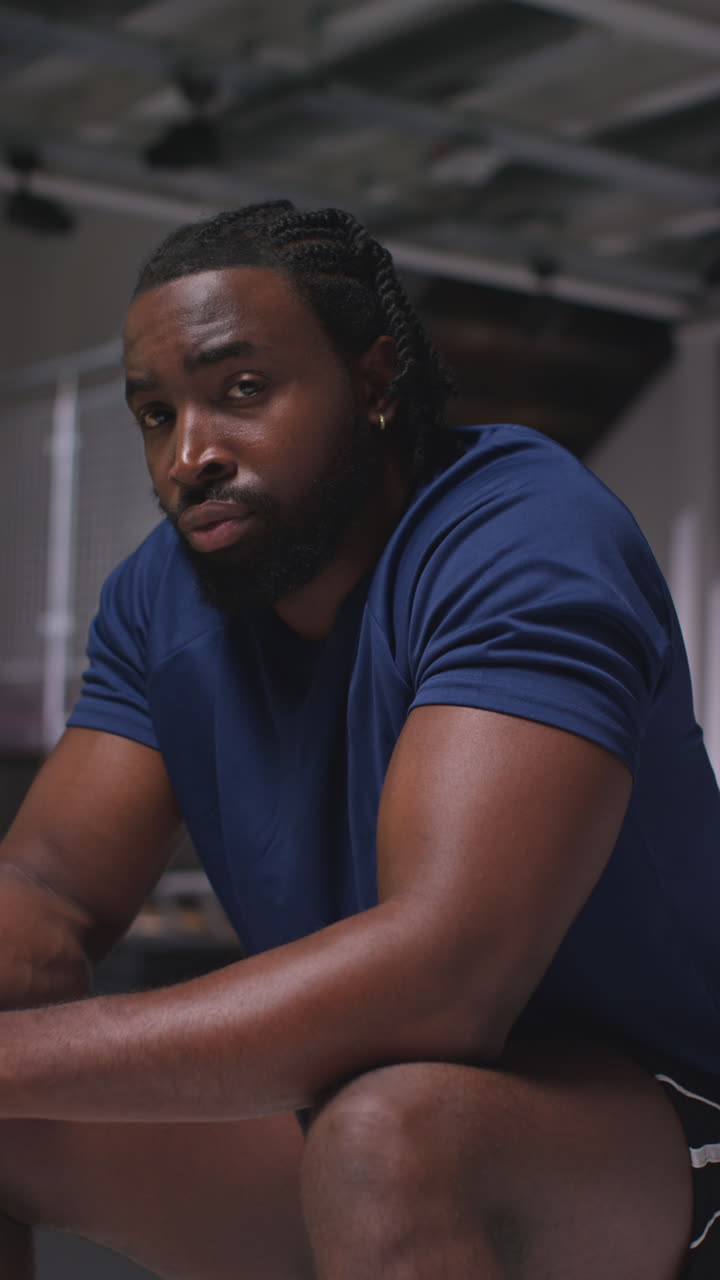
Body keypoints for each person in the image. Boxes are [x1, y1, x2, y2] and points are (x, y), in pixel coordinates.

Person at [0, 199, 717, 1280]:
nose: (190, 453)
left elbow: (442, 980)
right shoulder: (162, 596)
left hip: (661, 1117)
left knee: (389, 1136)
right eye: (157, 413)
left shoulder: (521, 535)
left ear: (376, 381)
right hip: (371, 1106)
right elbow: (46, 886)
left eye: (241, 391)